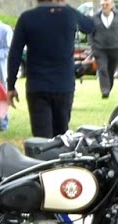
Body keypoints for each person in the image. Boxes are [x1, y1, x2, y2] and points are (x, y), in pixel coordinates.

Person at [8, 0, 95, 138]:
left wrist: (11, 85)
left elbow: (15, 53)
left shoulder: (27, 18)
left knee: (41, 137)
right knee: (61, 136)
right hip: (64, 84)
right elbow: (89, 26)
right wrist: (65, 5)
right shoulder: (69, 15)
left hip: (37, 84)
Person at [91, 0, 118, 98]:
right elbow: (90, 33)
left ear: (111, 5)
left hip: (115, 48)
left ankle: (108, 87)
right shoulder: (94, 17)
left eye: (107, 4)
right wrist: (93, 46)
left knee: (110, 70)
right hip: (100, 49)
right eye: (103, 5)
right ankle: (105, 91)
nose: (104, 6)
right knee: (102, 68)